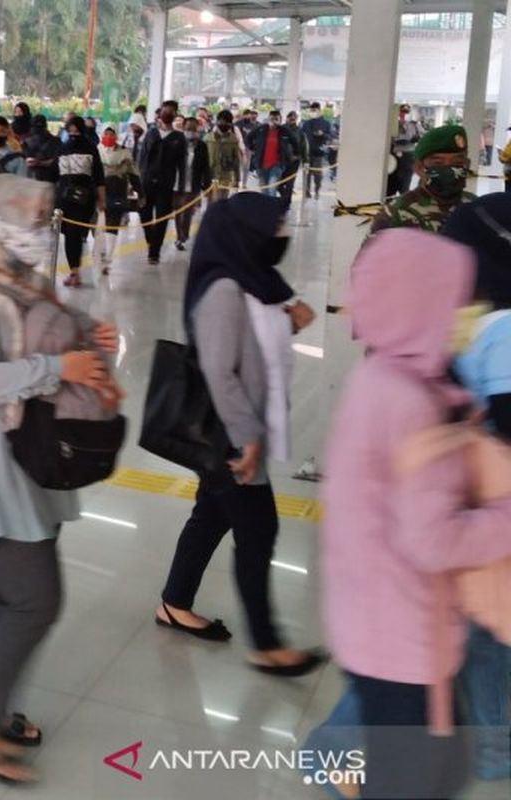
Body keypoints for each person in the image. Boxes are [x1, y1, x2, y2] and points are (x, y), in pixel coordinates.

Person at [0, 174, 122, 785]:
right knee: (36, 597)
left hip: (29, 450)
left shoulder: (25, 279)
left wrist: (91, 340)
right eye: (26, 217)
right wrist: (54, 366)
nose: (39, 228)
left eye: (44, 217)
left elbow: (60, 328)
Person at [321, 228, 511, 799]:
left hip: (377, 622)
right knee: (415, 778)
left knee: (438, 768)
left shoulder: (381, 379)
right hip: (404, 639)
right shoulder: (409, 402)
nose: (466, 313)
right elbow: (431, 540)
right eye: (455, 302)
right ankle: (326, 764)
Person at [156, 193, 323, 678]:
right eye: (275, 227)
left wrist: (286, 322)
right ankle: (267, 645)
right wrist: (248, 440)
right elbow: (218, 369)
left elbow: (252, 349)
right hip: (230, 436)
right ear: (246, 234)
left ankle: (173, 601)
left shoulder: (251, 280)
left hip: (235, 431)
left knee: (211, 515)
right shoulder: (224, 289)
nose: (283, 235)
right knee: (259, 528)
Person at [440, 197, 511, 783]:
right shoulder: (484, 315)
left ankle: (490, 747)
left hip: (489, 512)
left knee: (484, 633)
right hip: (478, 509)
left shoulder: (501, 326)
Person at [369, 123, 475, 236]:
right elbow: (371, 253)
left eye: (457, 163)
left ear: (467, 165)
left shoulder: (476, 207)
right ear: (419, 168)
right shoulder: (396, 213)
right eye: (438, 163)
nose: (449, 169)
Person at [57, 115, 105, 288]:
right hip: (64, 199)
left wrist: (101, 198)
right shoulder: (62, 148)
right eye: (70, 130)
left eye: (76, 130)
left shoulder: (91, 148)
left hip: (83, 199)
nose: (73, 133)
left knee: (74, 234)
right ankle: (74, 270)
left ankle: (74, 272)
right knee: (70, 235)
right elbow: (56, 174)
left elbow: (99, 175)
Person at [138, 100, 186, 265]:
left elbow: (182, 164)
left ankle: (154, 252)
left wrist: (180, 188)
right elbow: (142, 157)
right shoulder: (151, 133)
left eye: (171, 112)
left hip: (166, 184)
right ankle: (151, 239)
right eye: (165, 111)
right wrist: (137, 181)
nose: (167, 114)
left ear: (174, 115)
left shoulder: (179, 138)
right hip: (147, 181)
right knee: (144, 214)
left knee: (161, 217)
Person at [96, 124, 141, 272]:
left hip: (117, 192)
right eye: (106, 134)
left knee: (113, 224)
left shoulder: (124, 153)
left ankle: (108, 259)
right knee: (97, 224)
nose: (108, 137)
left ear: (116, 136)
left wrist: (141, 193)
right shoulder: (96, 151)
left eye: (111, 134)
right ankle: (102, 252)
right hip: (97, 193)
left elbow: (134, 174)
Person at [173, 115, 211, 251]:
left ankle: (184, 236)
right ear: (183, 128)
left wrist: (207, 186)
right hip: (177, 184)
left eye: (194, 129)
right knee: (179, 212)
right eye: (188, 128)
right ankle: (179, 236)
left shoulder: (202, 146)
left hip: (193, 184)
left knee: (187, 211)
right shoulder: (177, 143)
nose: (191, 131)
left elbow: (206, 167)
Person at [247, 109, 295, 199]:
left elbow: (294, 141)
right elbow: (249, 137)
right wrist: (253, 148)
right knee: (264, 190)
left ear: (280, 120)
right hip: (261, 165)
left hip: (277, 165)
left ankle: (272, 210)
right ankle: (266, 209)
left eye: (276, 119)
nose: (274, 121)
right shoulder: (261, 129)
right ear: (268, 119)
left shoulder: (284, 131)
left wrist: (293, 155)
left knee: (272, 189)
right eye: (272, 119)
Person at [206, 109, 242, 203]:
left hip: (225, 177)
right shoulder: (208, 138)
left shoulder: (233, 139)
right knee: (211, 203)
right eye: (222, 121)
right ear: (217, 121)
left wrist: (237, 179)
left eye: (227, 122)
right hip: (210, 175)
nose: (224, 124)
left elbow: (236, 160)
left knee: (222, 202)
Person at [300, 101, 332, 199]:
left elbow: (330, 136)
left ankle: (317, 190)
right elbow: (301, 136)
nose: (313, 112)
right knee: (307, 174)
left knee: (317, 174)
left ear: (319, 110)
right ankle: (307, 191)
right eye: (311, 110)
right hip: (307, 153)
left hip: (318, 152)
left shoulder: (326, 123)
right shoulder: (306, 123)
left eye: (315, 110)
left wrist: (322, 134)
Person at [390, 103, 422, 196]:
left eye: (405, 113)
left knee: (404, 185)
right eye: (401, 112)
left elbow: (420, 136)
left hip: (407, 156)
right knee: (390, 185)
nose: (403, 115)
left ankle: (404, 201)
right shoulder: (392, 124)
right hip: (393, 156)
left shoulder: (414, 125)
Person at [23, 114, 61, 184]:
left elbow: (57, 162)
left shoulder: (26, 142)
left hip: (46, 179)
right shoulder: (26, 142)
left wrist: (39, 163)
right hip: (40, 180)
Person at [279, 110, 306, 210]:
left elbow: (303, 145)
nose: (292, 119)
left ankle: (287, 203)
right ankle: (283, 198)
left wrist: (303, 159)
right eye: (290, 117)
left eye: (294, 118)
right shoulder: (281, 129)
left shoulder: (300, 131)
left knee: (290, 183)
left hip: (295, 161)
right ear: (287, 118)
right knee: (279, 183)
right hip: (282, 160)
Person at [235, 108, 259, 188]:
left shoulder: (254, 125)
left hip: (248, 148)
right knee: (238, 166)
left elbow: (255, 138)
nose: (248, 116)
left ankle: (244, 183)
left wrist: (253, 148)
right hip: (238, 148)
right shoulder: (238, 124)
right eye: (247, 114)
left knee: (246, 167)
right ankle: (237, 182)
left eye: (250, 114)